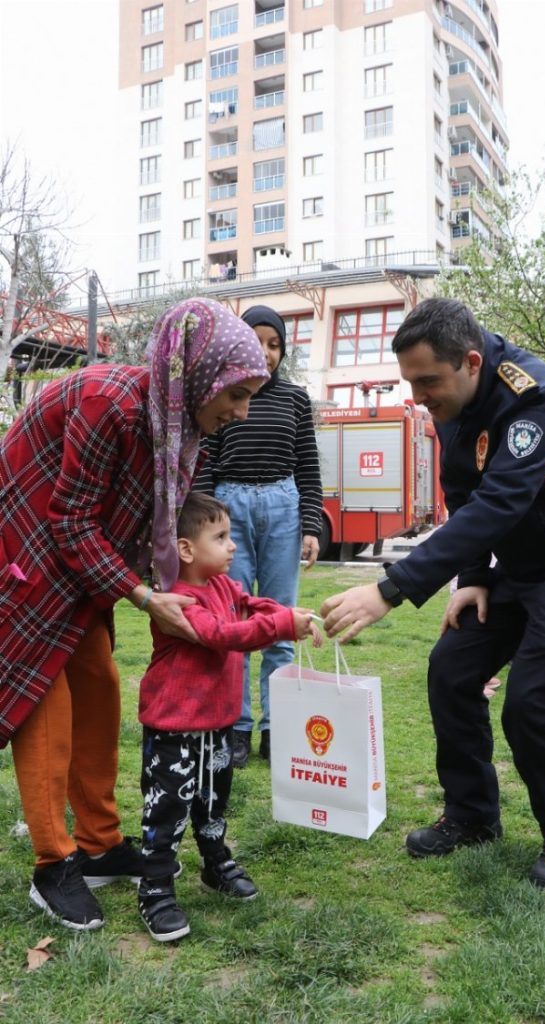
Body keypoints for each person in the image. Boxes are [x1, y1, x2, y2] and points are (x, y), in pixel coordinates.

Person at [321, 297, 545, 892]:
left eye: (428, 382)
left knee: (532, 702)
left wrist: (392, 589)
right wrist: (472, 580)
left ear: (471, 361)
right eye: (410, 382)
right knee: (450, 669)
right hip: (520, 572)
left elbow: (501, 503)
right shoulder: (452, 400)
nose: (418, 397)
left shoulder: (534, 396)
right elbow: (464, 495)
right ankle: (471, 817)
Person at [0, 297, 269, 931]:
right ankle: (52, 862)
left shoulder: (182, 429)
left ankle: (97, 843)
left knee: (99, 682)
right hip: (28, 541)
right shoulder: (109, 404)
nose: (242, 410)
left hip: (78, 554)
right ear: (199, 374)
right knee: (46, 692)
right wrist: (145, 596)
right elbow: (68, 519)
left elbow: (153, 523)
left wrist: (188, 596)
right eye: (236, 393)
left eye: (252, 394)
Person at [136, 492, 321, 942]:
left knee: (213, 801)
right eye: (220, 536)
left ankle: (215, 861)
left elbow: (249, 604)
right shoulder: (175, 599)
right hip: (174, 726)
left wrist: (284, 613)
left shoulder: (222, 585)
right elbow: (220, 635)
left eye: (230, 535)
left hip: (217, 723)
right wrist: (281, 627)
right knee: (168, 809)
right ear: (185, 549)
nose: (232, 545)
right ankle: (156, 887)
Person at [194, 305, 323, 768]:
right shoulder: (221, 396)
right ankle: (237, 728)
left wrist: (311, 524)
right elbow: (204, 461)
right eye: (256, 341)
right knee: (233, 623)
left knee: (282, 625)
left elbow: (308, 465)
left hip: (283, 508)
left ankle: (277, 728)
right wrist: (208, 522)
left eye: (274, 344)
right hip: (230, 510)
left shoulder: (295, 399)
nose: (266, 353)